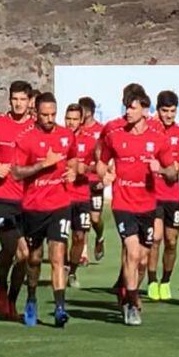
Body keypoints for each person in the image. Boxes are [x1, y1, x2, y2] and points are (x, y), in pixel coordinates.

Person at [96, 88, 177, 326]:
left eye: (132, 107)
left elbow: (172, 172)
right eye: (126, 107)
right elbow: (100, 162)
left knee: (142, 260)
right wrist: (106, 175)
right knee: (132, 252)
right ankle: (132, 305)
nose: (127, 111)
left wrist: (160, 170)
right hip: (123, 203)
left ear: (144, 108)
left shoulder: (158, 138)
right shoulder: (115, 134)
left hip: (147, 206)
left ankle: (129, 292)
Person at [11, 92, 77, 327]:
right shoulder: (25, 138)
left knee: (58, 256)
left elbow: (73, 159)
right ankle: (31, 297)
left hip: (59, 205)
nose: (50, 119)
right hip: (33, 207)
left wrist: (73, 171)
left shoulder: (66, 135)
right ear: (35, 113)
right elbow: (16, 173)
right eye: (45, 115)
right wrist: (42, 165)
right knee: (35, 258)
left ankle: (60, 308)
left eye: (53, 114)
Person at [0, 81, 37, 320]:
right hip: (1, 198)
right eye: (15, 99)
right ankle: (2, 284)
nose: (18, 103)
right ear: (9, 99)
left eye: (23, 99)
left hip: (29, 201)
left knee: (25, 256)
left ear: (30, 100)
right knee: (11, 248)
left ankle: (11, 298)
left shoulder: (36, 126)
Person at [147, 90, 179, 301]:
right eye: (165, 110)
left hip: (173, 196)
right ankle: (151, 281)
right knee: (156, 238)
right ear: (157, 110)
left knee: (171, 241)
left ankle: (165, 281)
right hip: (153, 194)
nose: (168, 115)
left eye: (172, 111)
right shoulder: (150, 131)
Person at [64, 103, 97, 288]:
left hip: (82, 196)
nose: (71, 122)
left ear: (81, 120)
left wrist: (85, 170)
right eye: (68, 118)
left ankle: (72, 271)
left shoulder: (91, 141)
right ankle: (60, 269)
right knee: (59, 238)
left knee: (79, 236)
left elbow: (97, 165)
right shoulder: (59, 137)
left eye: (75, 119)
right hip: (61, 196)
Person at [78, 97, 106, 262]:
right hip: (81, 180)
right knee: (84, 217)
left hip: (96, 180)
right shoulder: (77, 130)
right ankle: (83, 253)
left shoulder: (101, 131)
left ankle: (100, 236)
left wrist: (104, 175)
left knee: (95, 218)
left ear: (87, 112)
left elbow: (106, 156)